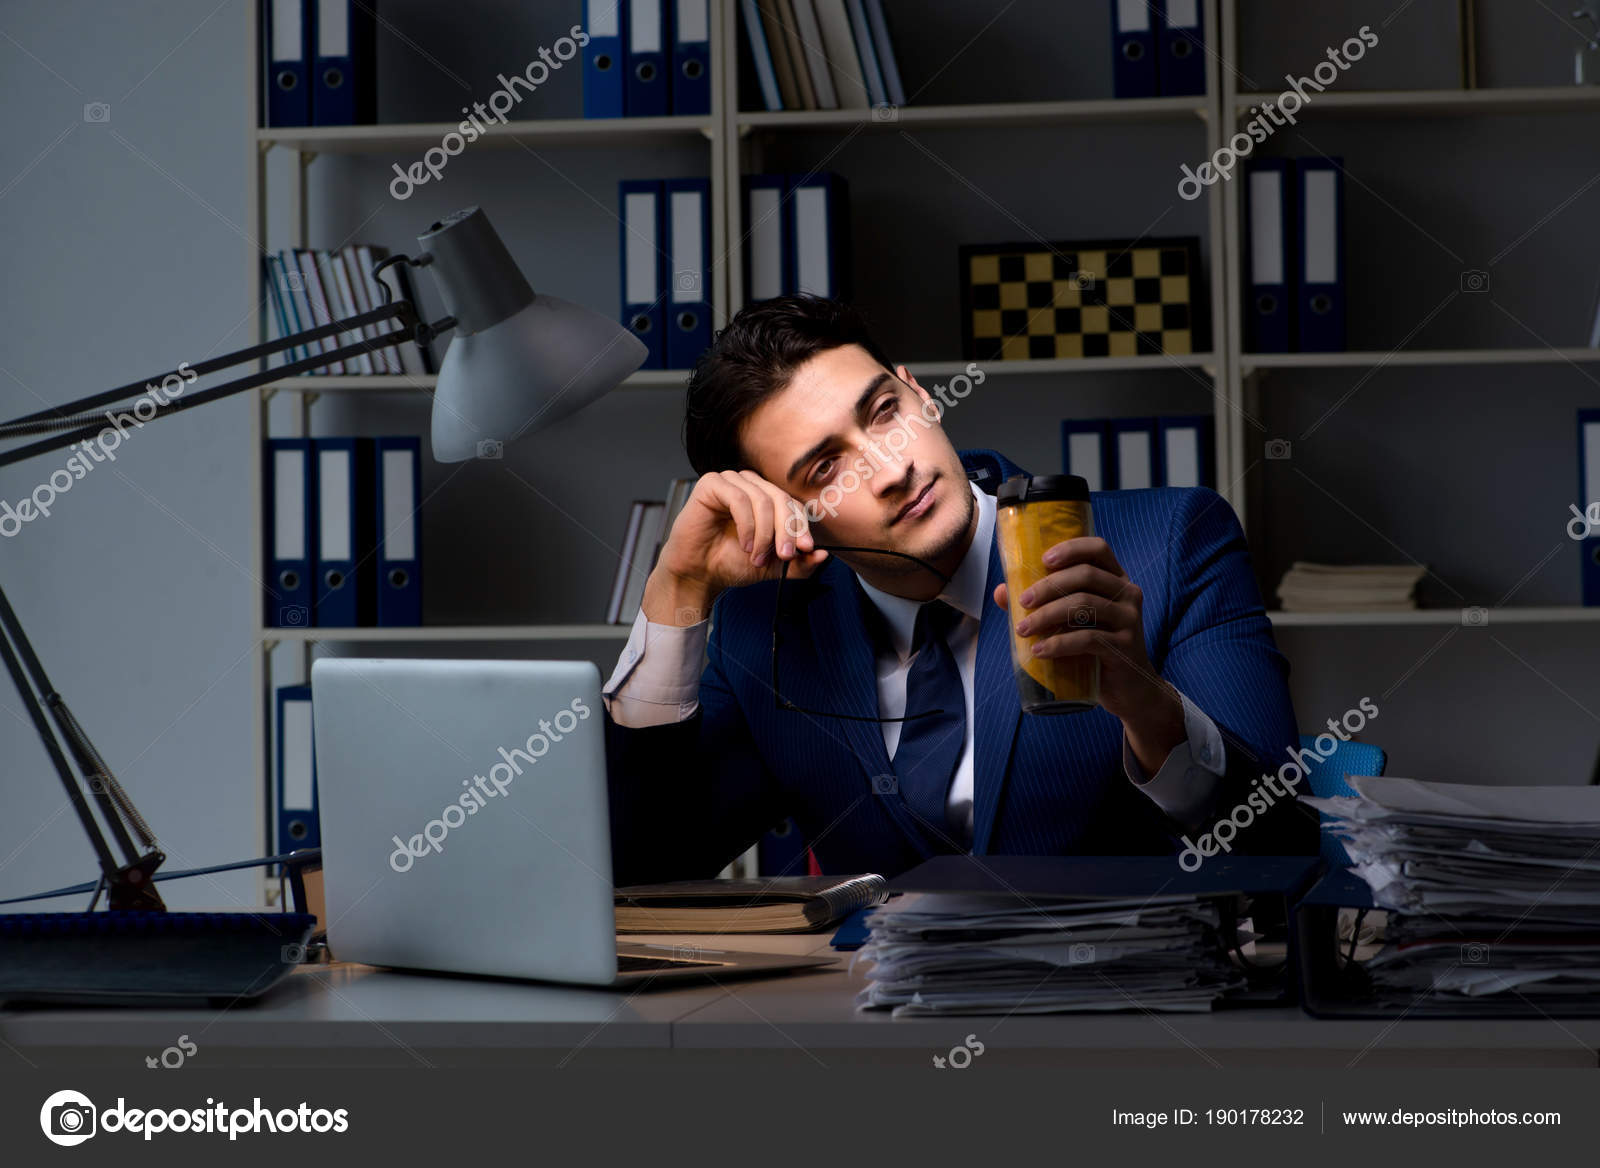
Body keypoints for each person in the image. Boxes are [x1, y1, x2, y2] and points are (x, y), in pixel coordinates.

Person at [601, 294, 1316, 882]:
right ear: (788, 514)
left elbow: (1285, 849)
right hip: (883, 1034)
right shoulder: (767, 634)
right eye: (824, 469)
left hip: (1136, 1021)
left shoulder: (1171, 542)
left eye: (883, 412)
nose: (889, 470)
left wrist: (1149, 709)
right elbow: (641, 873)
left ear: (919, 394)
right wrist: (676, 593)